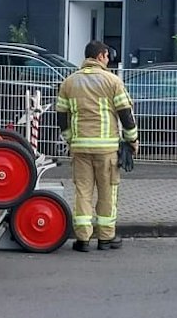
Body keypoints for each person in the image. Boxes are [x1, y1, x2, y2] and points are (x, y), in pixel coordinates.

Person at [56, 40, 138, 251]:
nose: (109, 60)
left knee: (83, 191)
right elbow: (125, 114)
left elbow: (61, 116)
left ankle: (83, 239)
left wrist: (69, 139)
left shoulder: (69, 82)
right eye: (108, 56)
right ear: (101, 56)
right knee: (107, 192)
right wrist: (132, 140)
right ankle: (106, 238)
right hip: (106, 149)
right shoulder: (112, 81)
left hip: (80, 148)